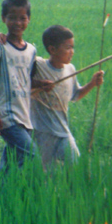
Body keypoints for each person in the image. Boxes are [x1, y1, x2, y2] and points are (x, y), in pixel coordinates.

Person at [0, 0, 48, 170]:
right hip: (6, 116)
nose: (17, 23)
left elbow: (26, 81)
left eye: (22, 18)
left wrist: (41, 84)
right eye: (12, 18)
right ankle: (23, 190)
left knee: (11, 160)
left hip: (24, 115)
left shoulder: (31, 51)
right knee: (31, 155)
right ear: (4, 19)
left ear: (29, 20)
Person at [31, 25, 104, 170]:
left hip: (63, 131)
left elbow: (75, 95)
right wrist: (38, 85)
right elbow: (19, 76)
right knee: (45, 173)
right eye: (67, 48)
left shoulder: (70, 69)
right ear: (52, 50)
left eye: (73, 47)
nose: (72, 52)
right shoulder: (38, 66)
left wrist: (92, 83)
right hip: (42, 133)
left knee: (76, 165)